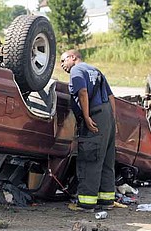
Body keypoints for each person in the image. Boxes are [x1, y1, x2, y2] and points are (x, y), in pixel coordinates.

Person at [60, 49, 116, 212]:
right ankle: (107, 201)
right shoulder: (95, 70)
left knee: (89, 160)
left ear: (73, 57)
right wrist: (113, 121)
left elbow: (83, 92)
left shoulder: (77, 71)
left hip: (94, 116)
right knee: (106, 160)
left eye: (63, 61)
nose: (62, 65)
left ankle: (86, 204)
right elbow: (111, 97)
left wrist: (86, 117)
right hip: (107, 117)